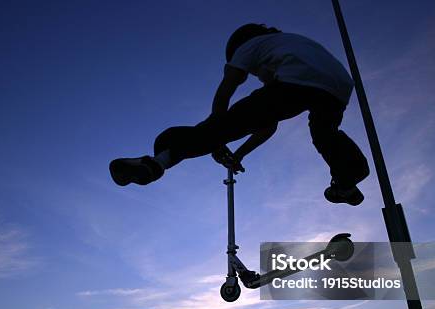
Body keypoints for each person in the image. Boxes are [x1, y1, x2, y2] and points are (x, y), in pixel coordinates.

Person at [110, 23, 369, 205]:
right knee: (325, 134)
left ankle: (157, 162)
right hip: (338, 88)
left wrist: (216, 135)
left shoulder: (250, 47)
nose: (258, 77)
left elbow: (225, 92)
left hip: (297, 84)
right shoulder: (291, 45)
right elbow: (268, 123)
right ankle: (348, 179)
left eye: (256, 73)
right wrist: (239, 154)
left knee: (214, 129)